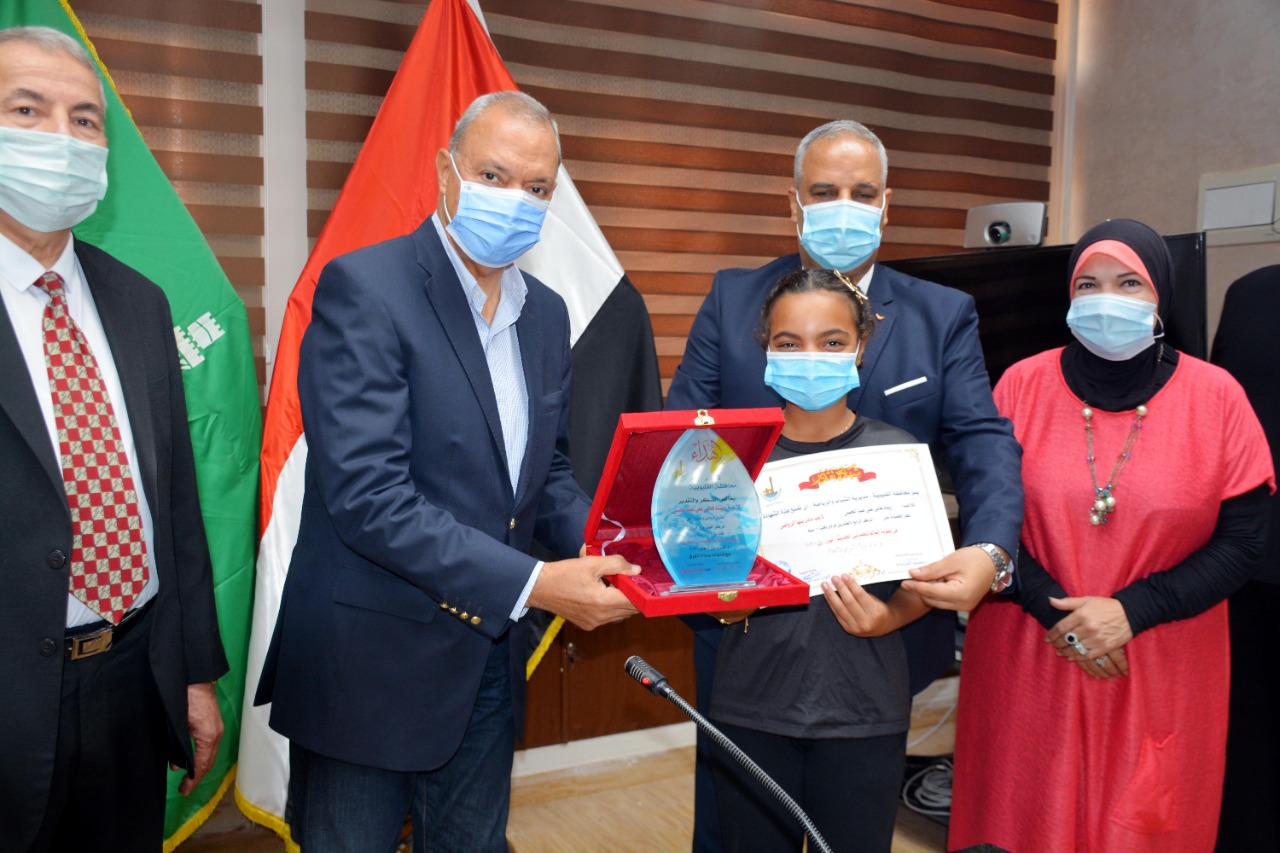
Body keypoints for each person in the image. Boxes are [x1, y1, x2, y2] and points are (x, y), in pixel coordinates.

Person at [255, 91, 639, 852]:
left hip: (487, 656)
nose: (516, 200)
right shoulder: (366, 287)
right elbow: (370, 498)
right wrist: (536, 583)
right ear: (445, 171)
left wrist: (624, 545)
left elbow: (545, 475)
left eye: (537, 187)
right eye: (494, 176)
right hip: (369, 663)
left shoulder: (546, 313)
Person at [665, 119, 1022, 850]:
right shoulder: (734, 299)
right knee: (735, 828)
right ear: (794, 203)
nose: (843, 207)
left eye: (862, 192)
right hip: (746, 629)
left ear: (887, 204)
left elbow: (982, 441)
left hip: (885, 626)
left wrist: (990, 550)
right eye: (824, 191)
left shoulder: (940, 313)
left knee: (855, 825)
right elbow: (682, 444)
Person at [949, 220, 1274, 853]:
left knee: (1145, 826)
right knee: (1020, 819)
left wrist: (1132, 611)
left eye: (1129, 283)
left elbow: (1242, 541)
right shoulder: (1020, 384)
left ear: (1161, 297)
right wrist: (1063, 618)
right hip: (1030, 650)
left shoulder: (1218, 397)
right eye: (1088, 285)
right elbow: (986, 518)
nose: (1107, 300)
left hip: (1161, 655)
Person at [0, 26, 228, 852]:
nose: (62, 140)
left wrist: (194, 675)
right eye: (28, 110)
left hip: (134, 678)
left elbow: (176, 507)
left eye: (86, 120)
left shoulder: (139, 301)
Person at [708, 267, 931, 852]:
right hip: (753, 708)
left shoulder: (899, 455)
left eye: (831, 341)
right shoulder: (729, 460)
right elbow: (703, 579)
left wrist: (891, 615)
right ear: (766, 350)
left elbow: (927, 578)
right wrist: (725, 603)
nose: (810, 357)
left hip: (865, 710)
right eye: (789, 343)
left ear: (860, 347)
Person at [1210, 264, 1280, 851]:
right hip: (1247, 563)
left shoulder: (1250, 292)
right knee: (1246, 743)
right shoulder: (1252, 294)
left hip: (1247, 555)